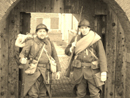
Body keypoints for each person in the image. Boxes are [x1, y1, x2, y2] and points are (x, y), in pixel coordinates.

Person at [65, 19, 107, 98]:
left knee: (94, 94)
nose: (83, 30)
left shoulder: (95, 39)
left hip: (92, 71)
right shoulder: (75, 38)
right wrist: (71, 48)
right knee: (80, 93)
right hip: (79, 70)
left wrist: (103, 71)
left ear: (89, 28)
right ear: (79, 29)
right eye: (82, 28)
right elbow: (67, 52)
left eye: (85, 28)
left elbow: (102, 56)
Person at [19, 23, 61, 98]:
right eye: (40, 31)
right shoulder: (31, 42)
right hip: (34, 71)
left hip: (46, 72)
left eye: (44, 31)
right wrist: (22, 59)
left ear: (46, 33)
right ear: (36, 33)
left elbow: (55, 56)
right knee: (33, 94)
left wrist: (58, 71)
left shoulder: (49, 43)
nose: (42, 33)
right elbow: (23, 54)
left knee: (43, 94)